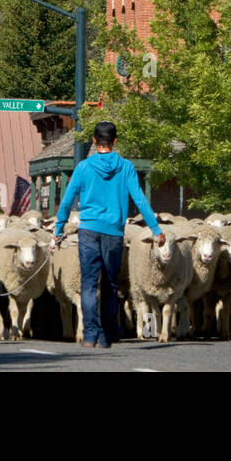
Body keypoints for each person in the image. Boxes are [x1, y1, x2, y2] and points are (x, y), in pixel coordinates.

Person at [51, 121, 164, 349]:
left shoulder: (83, 167)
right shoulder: (126, 167)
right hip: (113, 232)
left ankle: (90, 335)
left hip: (89, 230)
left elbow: (67, 199)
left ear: (94, 141)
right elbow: (139, 199)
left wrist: (59, 228)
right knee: (111, 284)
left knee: (89, 283)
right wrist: (156, 229)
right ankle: (107, 335)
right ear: (114, 141)